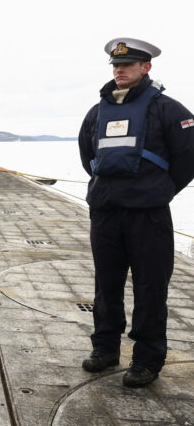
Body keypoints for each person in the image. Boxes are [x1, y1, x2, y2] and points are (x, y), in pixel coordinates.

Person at [78, 37, 194, 387]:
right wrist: (108, 190)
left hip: (149, 215)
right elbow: (88, 155)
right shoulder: (97, 112)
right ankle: (105, 349)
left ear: (146, 67)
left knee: (150, 287)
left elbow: (187, 158)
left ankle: (147, 359)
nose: (120, 69)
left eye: (127, 64)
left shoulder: (170, 110)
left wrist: (157, 191)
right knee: (106, 284)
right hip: (106, 212)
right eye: (116, 65)